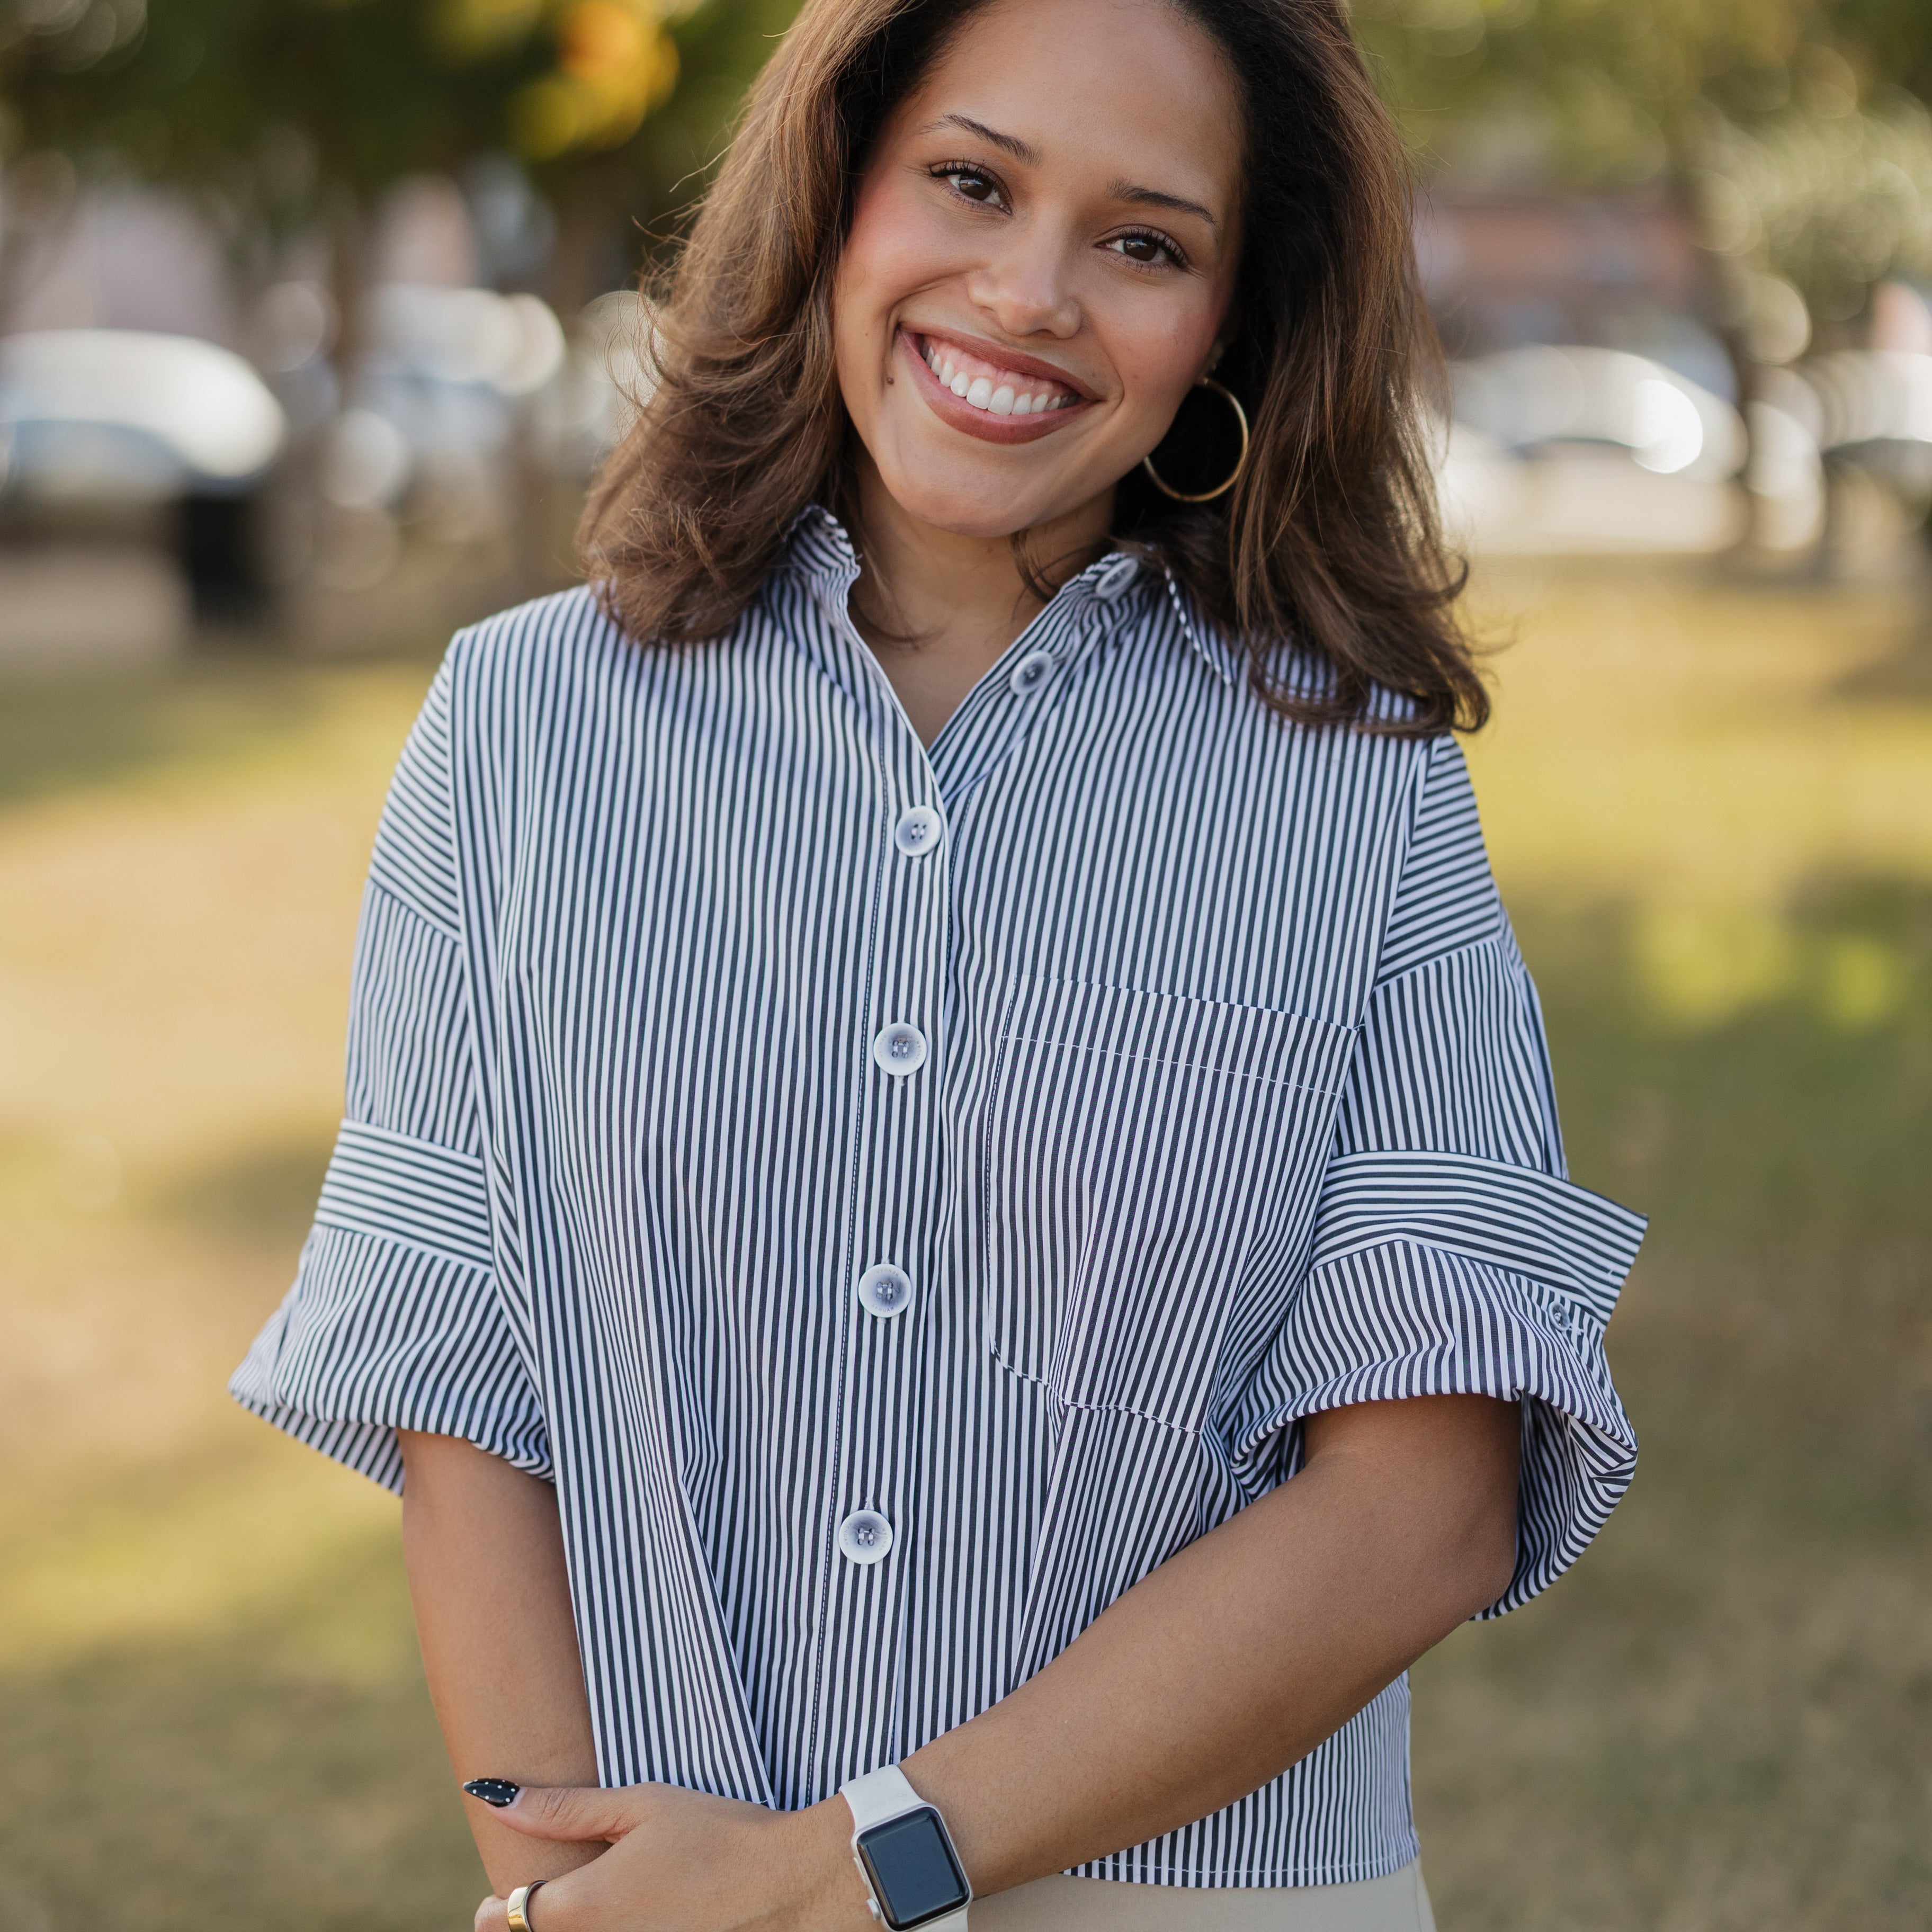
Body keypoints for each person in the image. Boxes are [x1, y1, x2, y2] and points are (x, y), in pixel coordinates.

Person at [231, 0, 1645, 1926]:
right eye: (970, 182)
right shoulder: (519, 728)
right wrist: (577, 1890)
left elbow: (1425, 1502)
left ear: (1229, 321)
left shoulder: (1356, 779)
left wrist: (847, 1867)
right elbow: (459, 1376)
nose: (1031, 290)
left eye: (1144, 242)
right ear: (838, 196)